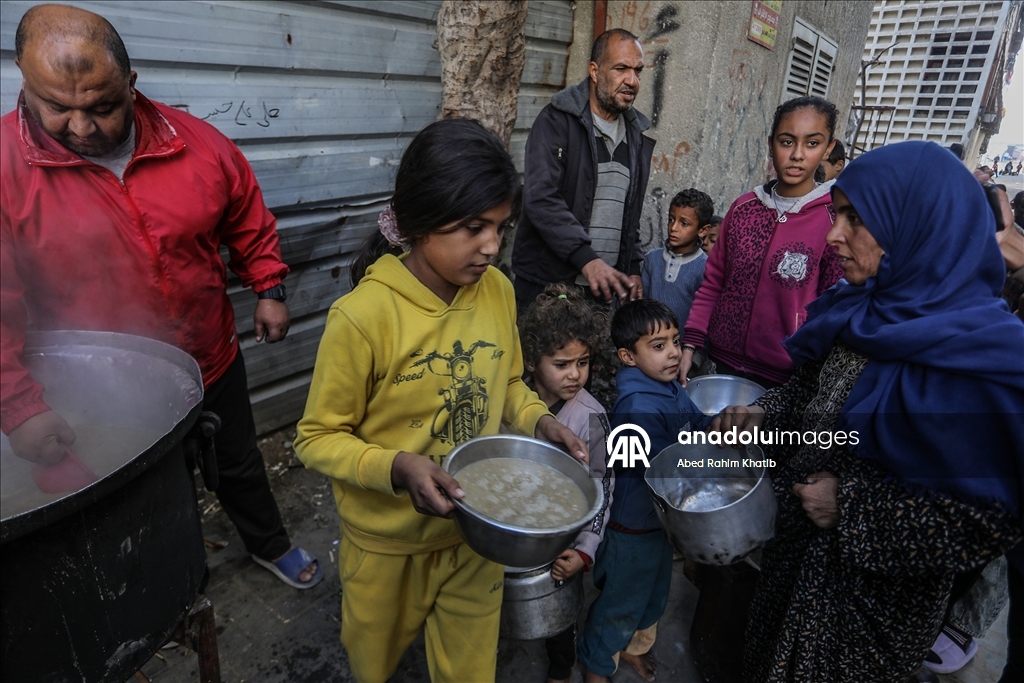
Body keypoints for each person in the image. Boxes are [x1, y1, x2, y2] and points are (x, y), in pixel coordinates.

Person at [0, 4, 320, 588]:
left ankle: (268, 544)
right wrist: (19, 406)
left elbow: (246, 215)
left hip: (211, 356)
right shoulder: (3, 169)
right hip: (96, 385)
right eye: (57, 108)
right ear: (24, 81)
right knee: (128, 493)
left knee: (240, 465)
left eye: (101, 107)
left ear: (131, 85)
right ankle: (158, 584)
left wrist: (268, 285)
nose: (81, 128)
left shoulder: (196, 143)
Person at [713, 141, 1024, 683]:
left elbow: (985, 522)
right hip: (792, 563)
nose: (833, 236)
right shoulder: (858, 307)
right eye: (836, 215)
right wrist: (763, 413)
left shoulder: (981, 360)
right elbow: (810, 394)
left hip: (866, 614)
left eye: (855, 219)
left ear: (917, 226)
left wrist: (850, 507)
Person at [293, 118, 588, 683]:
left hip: (474, 533)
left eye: (501, 227)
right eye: (473, 227)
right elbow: (317, 437)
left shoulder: (498, 291)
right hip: (386, 547)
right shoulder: (364, 317)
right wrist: (398, 466)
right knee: (373, 666)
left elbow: (505, 382)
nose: (491, 246)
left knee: (469, 671)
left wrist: (539, 420)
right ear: (417, 223)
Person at [577, 300, 713, 683]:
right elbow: (661, 470)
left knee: (652, 598)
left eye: (675, 341)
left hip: (659, 526)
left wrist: (720, 425)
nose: (673, 353)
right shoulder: (637, 405)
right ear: (628, 356)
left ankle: (630, 649)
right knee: (620, 604)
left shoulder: (669, 388)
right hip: (631, 529)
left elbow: (696, 421)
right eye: (658, 346)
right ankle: (596, 665)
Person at [679, 96, 845, 389]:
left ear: (828, 148)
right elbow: (714, 283)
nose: (797, 154)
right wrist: (691, 344)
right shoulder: (744, 209)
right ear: (771, 144)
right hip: (718, 362)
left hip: (784, 380)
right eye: (786, 142)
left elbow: (832, 309)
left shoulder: (833, 221)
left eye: (812, 143)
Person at [512, 28, 655, 310]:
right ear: (594, 70)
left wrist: (634, 264)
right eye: (621, 69)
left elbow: (629, 213)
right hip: (548, 288)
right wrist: (586, 258)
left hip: (601, 294)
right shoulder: (557, 121)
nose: (632, 80)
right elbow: (541, 198)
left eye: (638, 71)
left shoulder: (636, 136)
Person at [518, 284, 614, 683]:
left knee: (556, 616)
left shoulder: (592, 417)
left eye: (584, 362)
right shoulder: (515, 403)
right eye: (562, 364)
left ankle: (561, 669)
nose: (575, 374)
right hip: (518, 528)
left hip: (562, 540)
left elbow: (603, 490)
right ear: (531, 361)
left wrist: (585, 550)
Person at [641, 189, 712, 357]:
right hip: (649, 350)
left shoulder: (706, 267)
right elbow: (642, 307)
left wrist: (695, 358)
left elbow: (707, 317)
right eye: (671, 220)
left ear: (702, 230)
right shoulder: (652, 259)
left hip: (684, 355)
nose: (673, 228)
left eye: (684, 223)